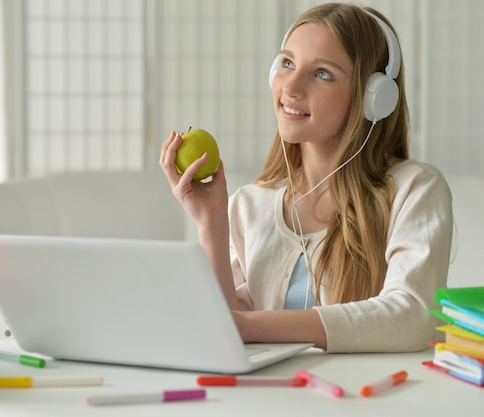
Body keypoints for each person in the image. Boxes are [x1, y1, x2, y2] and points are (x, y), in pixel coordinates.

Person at [159, 3, 453, 353]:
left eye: (322, 73)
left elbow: (412, 317)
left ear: (374, 97)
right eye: (287, 63)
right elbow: (228, 333)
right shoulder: (249, 205)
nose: (291, 87)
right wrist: (211, 223)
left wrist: (248, 325)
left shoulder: (415, 190)